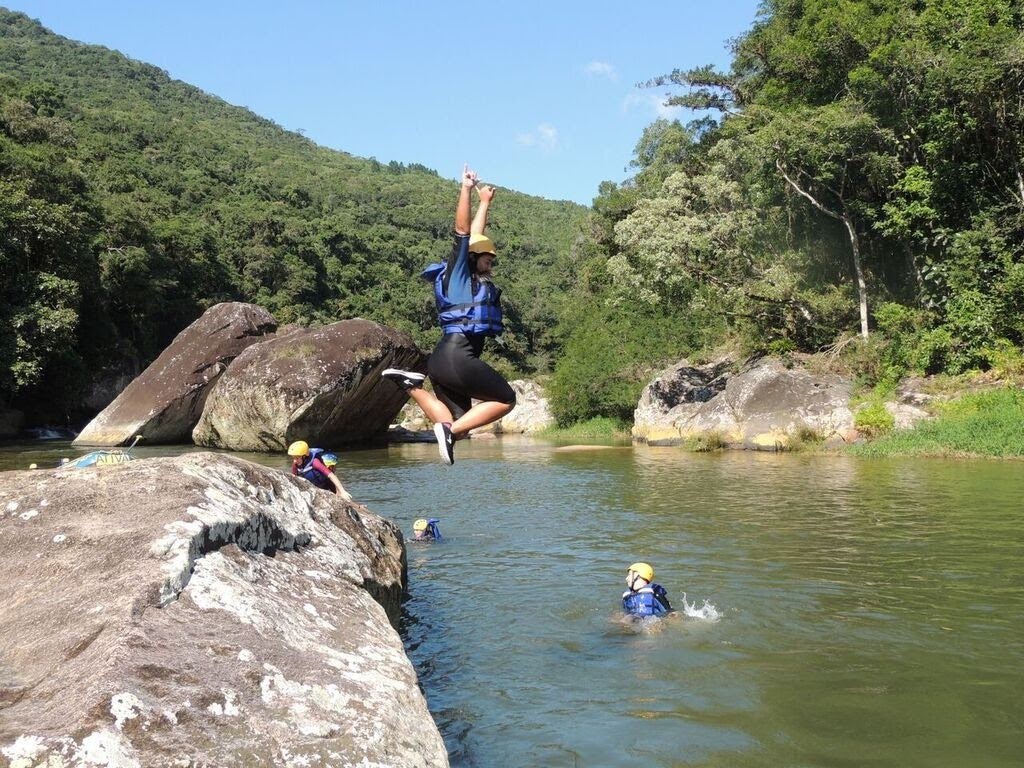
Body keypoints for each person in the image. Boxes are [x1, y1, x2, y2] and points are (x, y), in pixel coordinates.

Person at [381, 165, 516, 465]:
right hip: (458, 356)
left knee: (461, 424)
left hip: (442, 361)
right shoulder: (458, 276)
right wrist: (466, 189)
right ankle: (450, 431)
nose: (491, 265)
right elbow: (464, 232)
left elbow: (477, 235)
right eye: (487, 260)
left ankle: (412, 387)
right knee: (506, 399)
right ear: (471, 258)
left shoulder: (466, 278)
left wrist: (485, 203)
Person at [287, 440, 352, 501]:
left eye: (297, 458)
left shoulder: (315, 462)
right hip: (312, 488)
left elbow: (331, 475)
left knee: (341, 496)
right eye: (293, 458)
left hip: (326, 484)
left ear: (304, 456)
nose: (294, 461)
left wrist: (342, 491)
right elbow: (294, 478)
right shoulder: (295, 464)